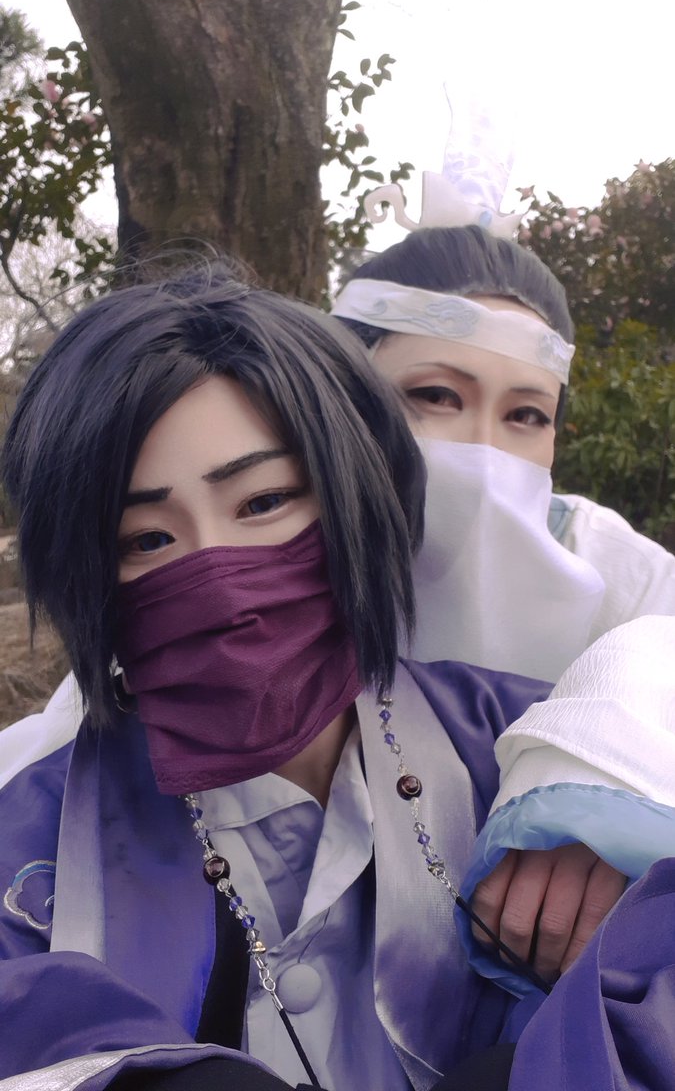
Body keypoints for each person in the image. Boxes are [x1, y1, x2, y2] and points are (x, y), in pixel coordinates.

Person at [2, 264, 673, 1091]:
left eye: (263, 502)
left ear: (356, 491)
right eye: (146, 541)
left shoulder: (530, 758)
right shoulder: (32, 845)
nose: (220, 582)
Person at [332, 224, 675, 682]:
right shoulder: (273, 550)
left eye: (527, 415)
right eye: (436, 395)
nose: (483, 451)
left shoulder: (622, 577)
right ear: (342, 399)